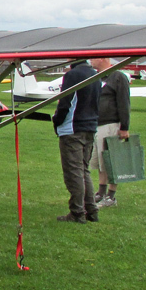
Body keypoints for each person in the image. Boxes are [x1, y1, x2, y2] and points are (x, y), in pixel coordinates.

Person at [52, 57, 102, 223]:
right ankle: (91, 210)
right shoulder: (94, 74)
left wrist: (57, 120)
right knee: (83, 170)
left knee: (74, 173)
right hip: (90, 127)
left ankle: (77, 213)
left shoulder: (73, 75)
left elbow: (65, 102)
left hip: (72, 129)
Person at [89, 57, 130, 208]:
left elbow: (124, 102)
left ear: (103, 58)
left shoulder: (118, 77)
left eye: (93, 58)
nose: (91, 61)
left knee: (110, 161)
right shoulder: (97, 78)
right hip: (97, 125)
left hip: (111, 124)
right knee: (100, 161)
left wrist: (124, 127)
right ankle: (100, 192)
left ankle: (111, 196)